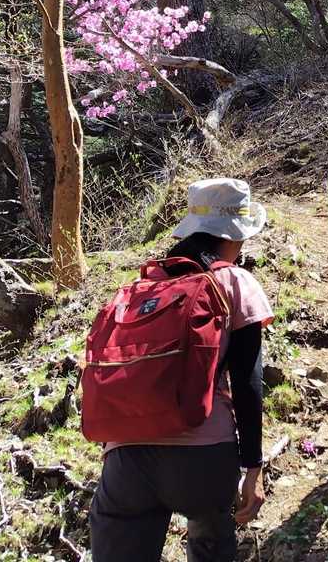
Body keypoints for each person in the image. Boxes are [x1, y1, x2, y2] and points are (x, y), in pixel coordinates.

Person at [89, 178, 273, 562]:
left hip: (125, 458)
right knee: (210, 541)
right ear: (235, 236)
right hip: (203, 458)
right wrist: (253, 469)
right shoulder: (233, 281)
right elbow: (248, 384)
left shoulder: (144, 286)